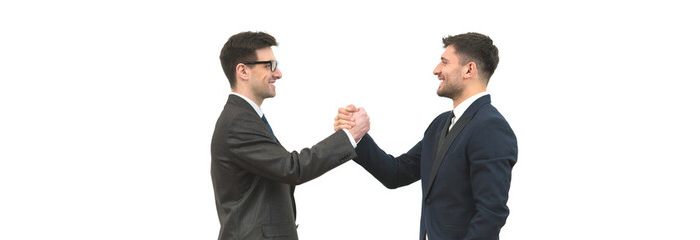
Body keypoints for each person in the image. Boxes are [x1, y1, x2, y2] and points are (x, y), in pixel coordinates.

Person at [336, 32, 517, 240]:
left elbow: (491, 214)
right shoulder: (440, 125)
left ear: (469, 70)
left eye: (444, 62)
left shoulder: (491, 127)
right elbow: (396, 173)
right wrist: (356, 136)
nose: (436, 70)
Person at [211, 31, 369, 240]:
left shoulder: (245, 118)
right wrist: (349, 136)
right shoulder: (238, 122)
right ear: (243, 71)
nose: (279, 74)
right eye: (270, 66)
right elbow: (291, 168)